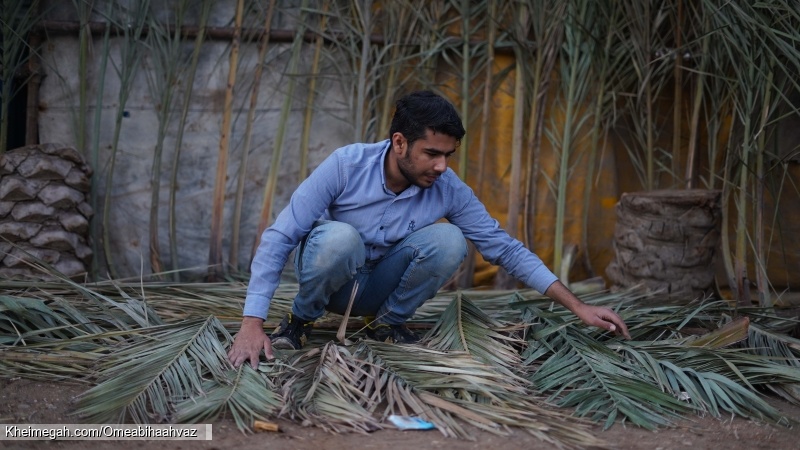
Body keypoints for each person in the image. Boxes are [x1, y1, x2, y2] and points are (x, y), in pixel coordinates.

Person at [228, 90, 630, 369]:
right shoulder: (346, 165)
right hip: (332, 280)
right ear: (399, 142)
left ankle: (389, 324)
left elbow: (503, 249)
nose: (442, 166)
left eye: (448, 156)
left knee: (451, 238)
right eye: (432, 154)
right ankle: (299, 322)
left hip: (377, 288)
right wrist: (251, 323)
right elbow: (281, 235)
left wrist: (578, 306)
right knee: (340, 237)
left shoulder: (447, 187)